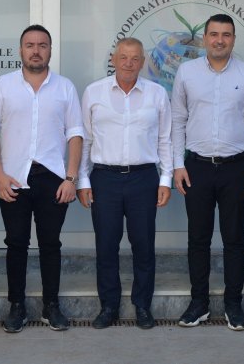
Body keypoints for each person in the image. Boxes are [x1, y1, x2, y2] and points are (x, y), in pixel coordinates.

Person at [171, 13, 244, 331]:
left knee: (234, 240)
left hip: (236, 169)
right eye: (214, 34)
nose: (219, 40)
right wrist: (177, 165)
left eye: (226, 35)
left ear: (233, 39)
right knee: (197, 239)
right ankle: (198, 303)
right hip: (196, 167)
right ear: (204, 39)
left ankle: (233, 304)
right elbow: (177, 120)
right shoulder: (186, 72)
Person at [0, 24, 83, 333]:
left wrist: (71, 179)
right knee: (16, 243)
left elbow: (76, 134)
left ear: (50, 50)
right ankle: (17, 305)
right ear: (21, 50)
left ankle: (51, 305)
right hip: (13, 179)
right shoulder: (3, 86)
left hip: (54, 178)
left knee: (50, 244)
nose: (36, 50)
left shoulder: (65, 87)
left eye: (42, 45)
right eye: (30, 45)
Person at [77, 38, 173, 330]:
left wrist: (165, 179)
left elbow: (165, 140)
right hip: (104, 178)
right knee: (106, 245)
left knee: (143, 244)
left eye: (135, 59)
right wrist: (83, 180)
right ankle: (109, 306)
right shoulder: (94, 92)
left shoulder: (157, 94)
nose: (128, 64)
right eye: (123, 57)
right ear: (113, 59)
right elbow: (85, 140)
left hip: (144, 178)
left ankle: (142, 305)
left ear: (142, 62)